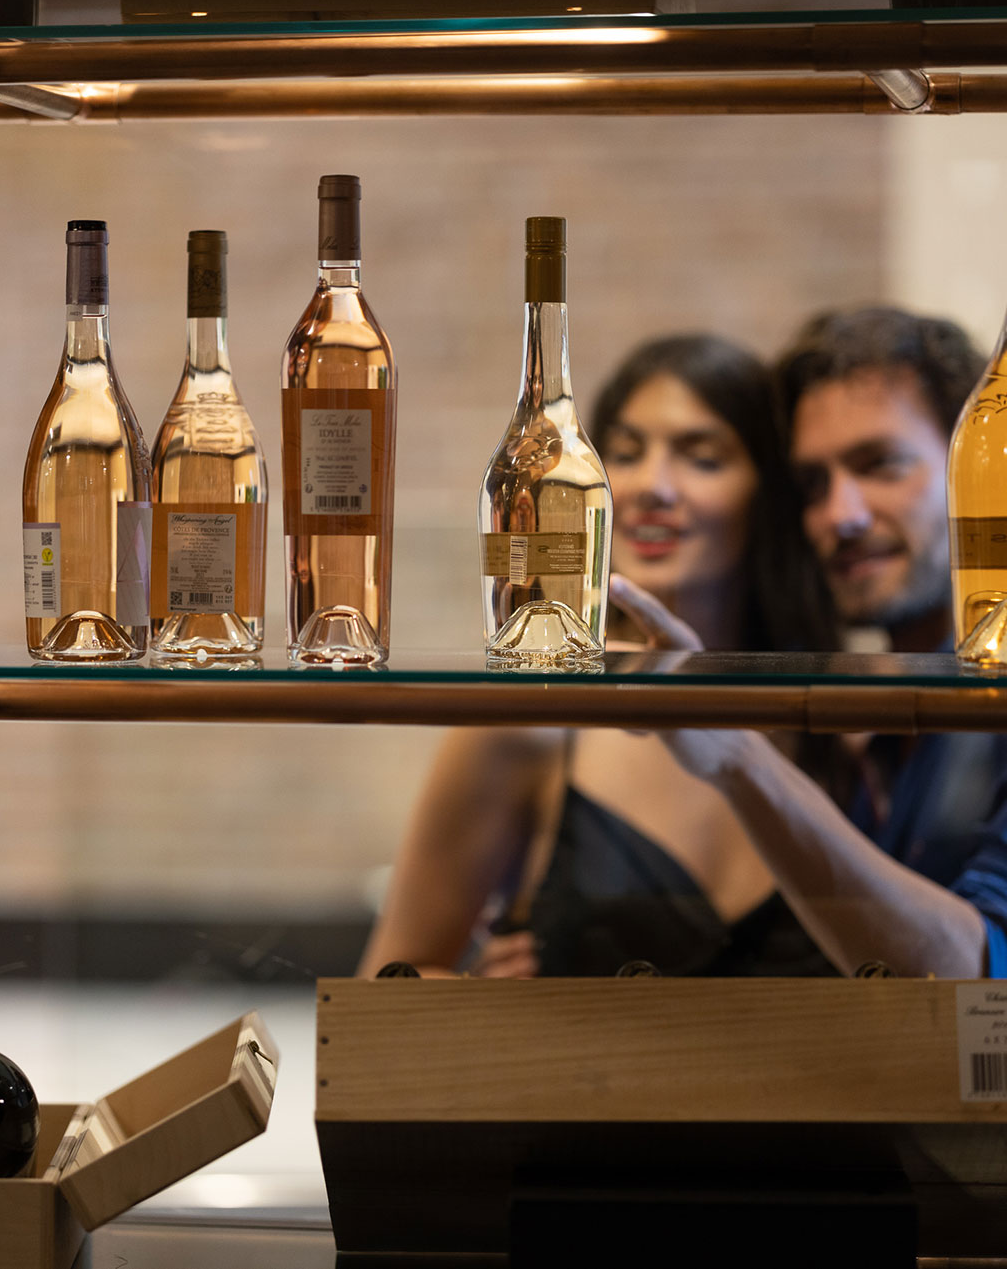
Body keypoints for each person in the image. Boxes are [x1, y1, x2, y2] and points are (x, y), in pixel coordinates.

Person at [608, 306, 1007, 1247]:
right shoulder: (874, 742)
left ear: (972, 470)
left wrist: (735, 754)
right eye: (812, 482)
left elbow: (985, 990)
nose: (838, 515)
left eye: (880, 465)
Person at [358, 334, 839, 981]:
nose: (651, 486)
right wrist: (472, 999)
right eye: (627, 452)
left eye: (701, 457)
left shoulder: (843, 719)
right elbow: (380, 988)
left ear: (768, 489)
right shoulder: (535, 720)